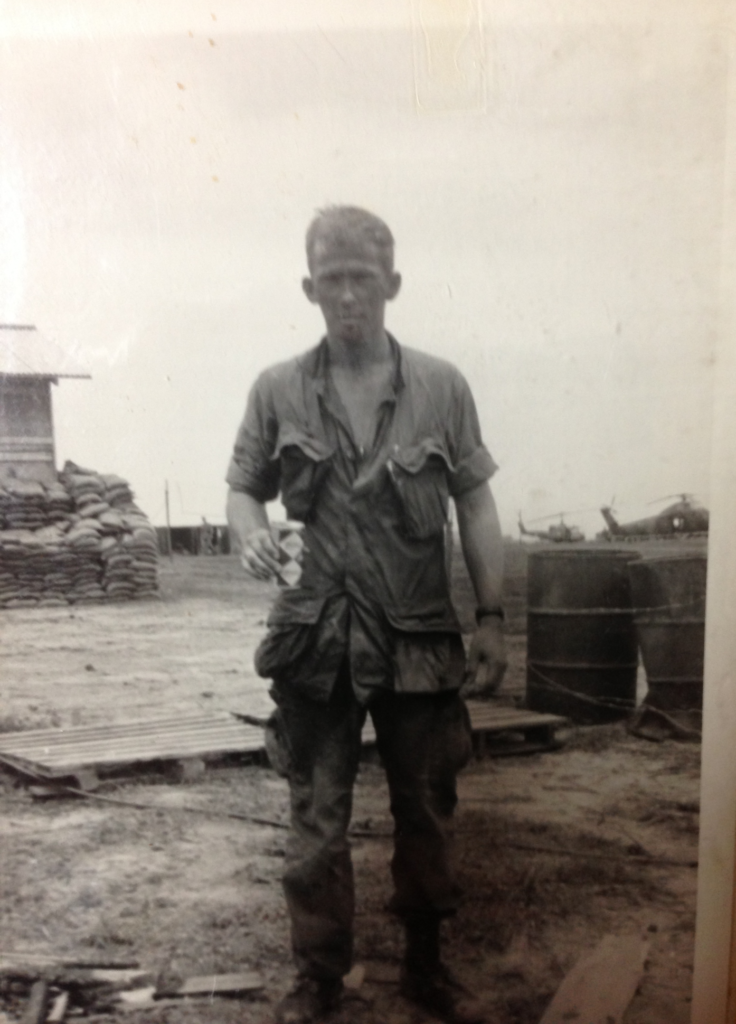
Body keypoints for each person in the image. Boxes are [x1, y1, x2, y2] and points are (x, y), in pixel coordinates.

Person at [226, 206, 507, 1024]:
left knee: (425, 808)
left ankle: (426, 966)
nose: (349, 296)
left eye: (364, 278)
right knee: (316, 818)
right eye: (332, 279)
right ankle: (317, 982)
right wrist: (249, 536)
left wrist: (491, 615)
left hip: (418, 638)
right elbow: (244, 488)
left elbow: (476, 502)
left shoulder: (443, 387)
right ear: (309, 287)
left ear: (393, 284)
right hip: (316, 637)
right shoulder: (276, 388)